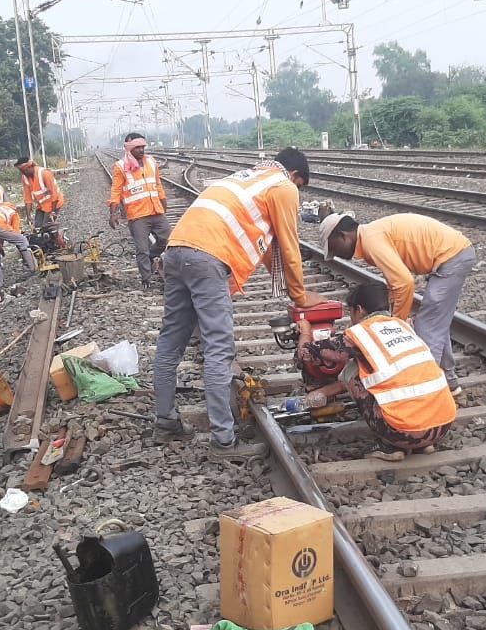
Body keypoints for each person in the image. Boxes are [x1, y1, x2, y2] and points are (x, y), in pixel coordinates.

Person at [154, 147, 326, 451]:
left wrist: (282, 285)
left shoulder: (246, 178)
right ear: (295, 175)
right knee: (219, 349)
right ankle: (223, 438)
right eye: (300, 186)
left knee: (170, 342)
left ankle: (165, 420)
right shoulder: (283, 186)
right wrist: (299, 296)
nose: (297, 193)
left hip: (175, 250)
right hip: (207, 257)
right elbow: (289, 246)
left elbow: (264, 245)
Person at [320, 213, 476, 395]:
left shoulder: (371, 240)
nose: (336, 255)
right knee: (435, 323)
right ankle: (449, 382)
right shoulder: (371, 236)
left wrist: (396, 324)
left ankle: (426, 390)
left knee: (427, 326)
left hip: (452, 256)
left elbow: (404, 283)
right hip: (453, 253)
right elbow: (395, 285)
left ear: (343, 236)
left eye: (334, 248)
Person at [298, 283, 455, 461]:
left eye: (351, 312)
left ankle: (389, 445)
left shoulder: (360, 333)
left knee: (352, 370)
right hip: (442, 425)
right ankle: (423, 444)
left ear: (359, 310)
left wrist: (305, 331)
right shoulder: (404, 326)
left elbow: (307, 353)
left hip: (403, 433)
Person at [109, 132, 171, 290]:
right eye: (137, 147)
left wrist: (163, 200)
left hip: (156, 211)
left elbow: (157, 184)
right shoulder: (120, 166)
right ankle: (146, 279)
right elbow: (116, 191)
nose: (141, 150)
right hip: (137, 215)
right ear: (129, 148)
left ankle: (152, 256)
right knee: (142, 249)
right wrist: (113, 213)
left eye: (143, 147)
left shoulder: (151, 162)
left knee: (167, 240)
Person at [0, 200, 36, 296]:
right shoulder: (13, 212)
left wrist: (1, 247)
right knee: (22, 240)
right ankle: (33, 269)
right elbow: (16, 231)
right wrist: (21, 245)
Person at [14, 156, 64, 229]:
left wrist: (52, 212)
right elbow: (28, 199)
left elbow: (54, 195)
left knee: (47, 226)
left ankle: (57, 234)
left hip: (54, 203)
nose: (22, 173)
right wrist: (28, 216)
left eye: (23, 170)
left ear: (28, 167)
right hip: (42, 205)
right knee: (38, 227)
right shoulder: (25, 178)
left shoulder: (44, 173)